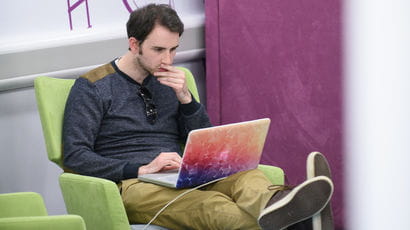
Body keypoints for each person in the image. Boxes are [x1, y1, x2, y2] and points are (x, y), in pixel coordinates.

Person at [63, 4, 333, 230]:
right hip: (134, 185)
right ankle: (304, 223)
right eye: (158, 50)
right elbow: (75, 157)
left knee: (247, 175)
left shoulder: (170, 81)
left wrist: (186, 99)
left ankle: (282, 205)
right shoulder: (92, 87)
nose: (167, 59)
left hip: (182, 174)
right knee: (212, 207)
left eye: (173, 49)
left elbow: (204, 139)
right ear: (134, 44)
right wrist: (141, 168)